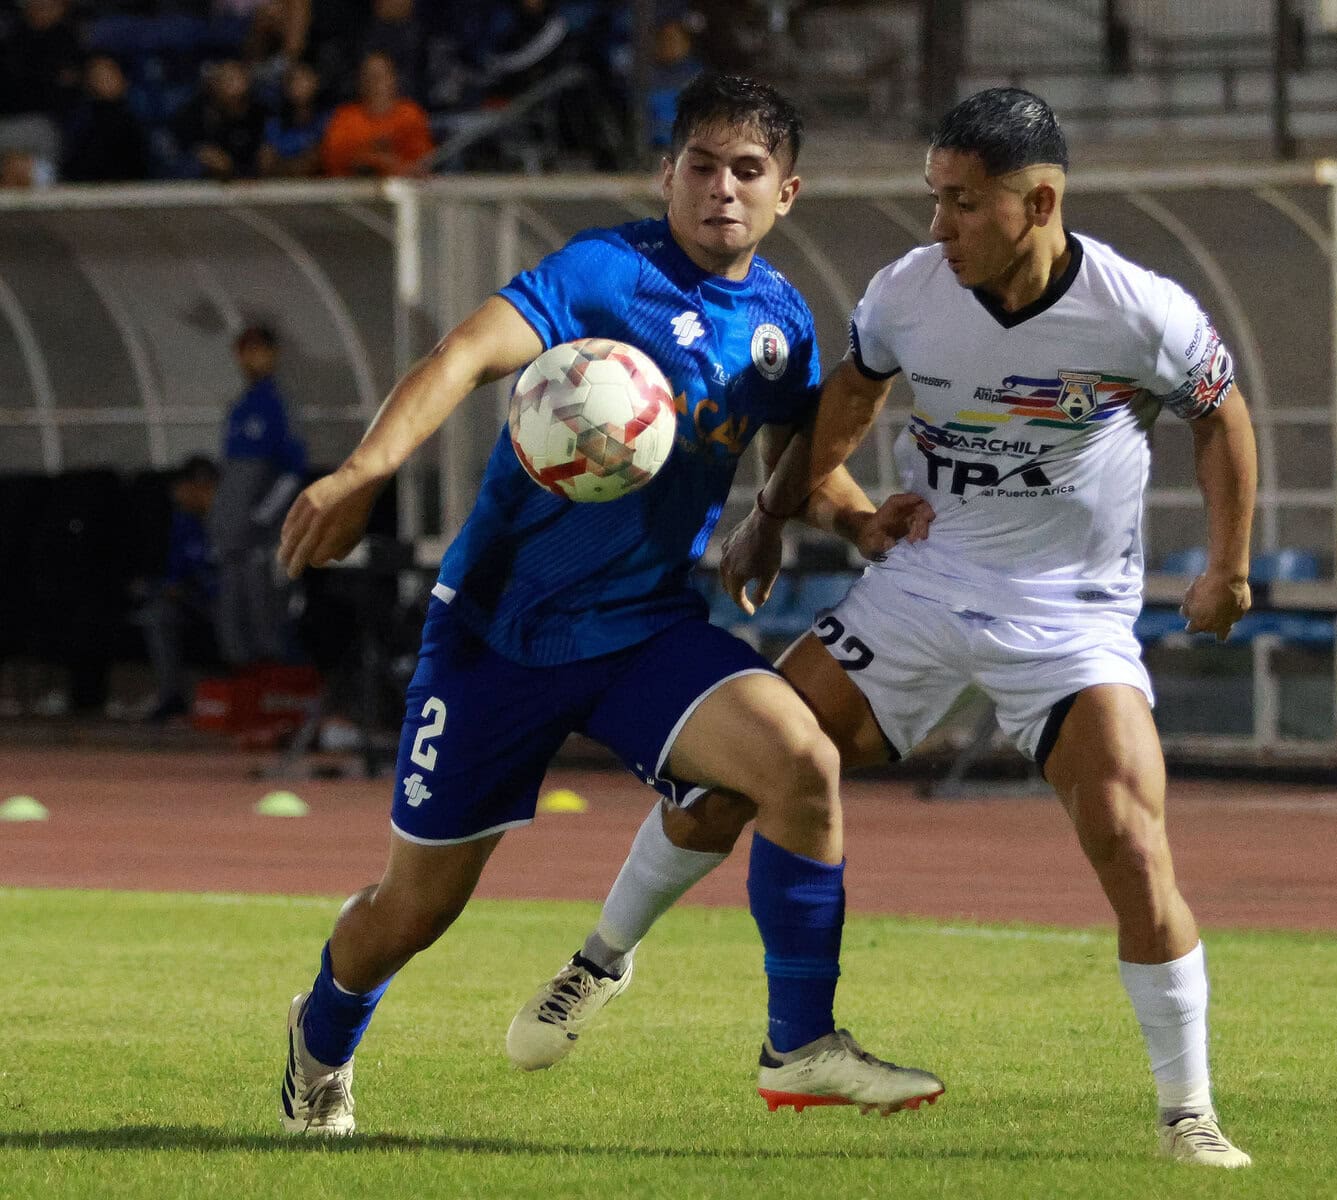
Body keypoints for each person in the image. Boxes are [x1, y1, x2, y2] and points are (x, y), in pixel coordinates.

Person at [511, 86, 1258, 1168]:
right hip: (919, 585)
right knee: (739, 773)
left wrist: (1227, 569)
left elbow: (1220, 418)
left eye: (963, 203)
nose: (938, 224)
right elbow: (848, 404)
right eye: (933, 197)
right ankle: (599, 960)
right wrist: (773, 515)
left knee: (1130, 839)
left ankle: (1188, 1113)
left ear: (1039, 203)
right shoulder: (909, 290)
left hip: (1067, 619)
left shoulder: (1141, 312)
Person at [274, 73, 942, 1136]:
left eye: (748, 171)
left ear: (786, 194)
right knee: (414, 911)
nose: (721, 188)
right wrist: (364, 471)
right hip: (496, 637)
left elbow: (800, 464)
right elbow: (462, 354)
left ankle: (800, 1043)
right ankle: (319, 1043)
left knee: (799, 761)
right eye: (701, 166)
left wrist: (855, 521)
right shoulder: (602, 274)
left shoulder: (778, 323)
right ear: (665, 174)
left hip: (642, 632)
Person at [214, 323, 306, 668]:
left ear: (273, 354)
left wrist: (262, 516)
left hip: (263, 535)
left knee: (265, 600)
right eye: (244, 352)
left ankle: (276, 670)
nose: (250, 359)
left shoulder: (279, 406)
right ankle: (240, 668)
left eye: (257, 351)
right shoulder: (239, 408)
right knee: (232, 601)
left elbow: (292, 471)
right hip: (233, 534)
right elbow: (230, 476)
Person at [133, 455, 220, 721]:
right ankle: (171, 697)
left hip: (233, 602)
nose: (177, 494)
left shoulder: (230, 521)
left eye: (183, 487)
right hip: (198, 601)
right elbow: (176, 573)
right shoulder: (184, 521)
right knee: (158, 615)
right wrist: (168, 588)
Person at [318, 49, 432, 178]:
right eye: (369, 76)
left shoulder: (410, 114)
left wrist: (383, 162)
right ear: (359, 82)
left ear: (393, 79)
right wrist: (379, 159)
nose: (375, 82)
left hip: (402, 186)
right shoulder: (345, 117)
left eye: (381, 76)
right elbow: (335, 159)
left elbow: (421, 162)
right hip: (354, 187)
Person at [61, 55, 154, 184]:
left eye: (108, 72)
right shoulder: (81, 122)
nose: (104, 79)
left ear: (123, 78)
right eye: (97, 74)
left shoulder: (134, 121)